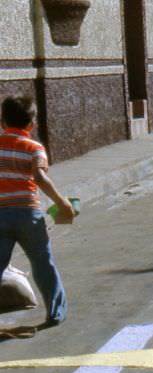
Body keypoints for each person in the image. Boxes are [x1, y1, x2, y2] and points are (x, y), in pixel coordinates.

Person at [0, 95, 75, 332]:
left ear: (2, 122)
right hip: (29, 215)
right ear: (31, 124)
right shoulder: (34, 148)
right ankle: (56, 312)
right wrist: (62, 203)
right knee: (43, 263)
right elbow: (40, 178)